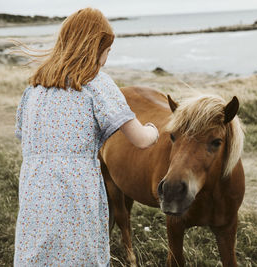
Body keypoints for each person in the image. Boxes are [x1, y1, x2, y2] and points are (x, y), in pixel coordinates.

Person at [13, 8, 159, 266]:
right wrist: (154, 129)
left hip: (35, 192)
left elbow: (26, 136)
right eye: (107, 52)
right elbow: (141, 140)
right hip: (75, 192)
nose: (106, 60)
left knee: (37, 256)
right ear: (95, 46)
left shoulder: (33, 89)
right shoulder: (96, 83)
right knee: (77, 255)